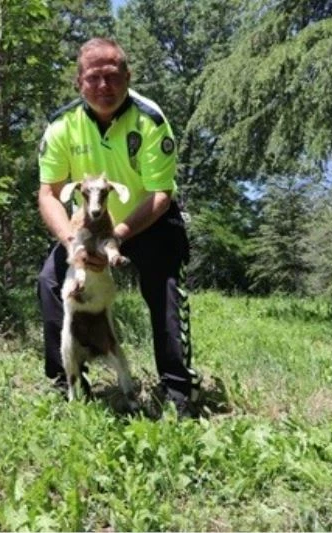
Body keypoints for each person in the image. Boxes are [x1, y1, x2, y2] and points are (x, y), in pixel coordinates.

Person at [36, 37, 200, 417]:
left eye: (113, 76)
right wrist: (72, 245)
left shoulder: (150, 119)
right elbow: (49, 193)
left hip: (148, 221)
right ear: (79, 82)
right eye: (94, 78)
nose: (104, 86)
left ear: (128, 76)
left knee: (166, 288)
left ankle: (178, 389)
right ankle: (68, 381)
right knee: (49, 283)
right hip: (85, 228)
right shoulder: (61, 126)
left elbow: (161, 194)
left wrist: (117, 239)